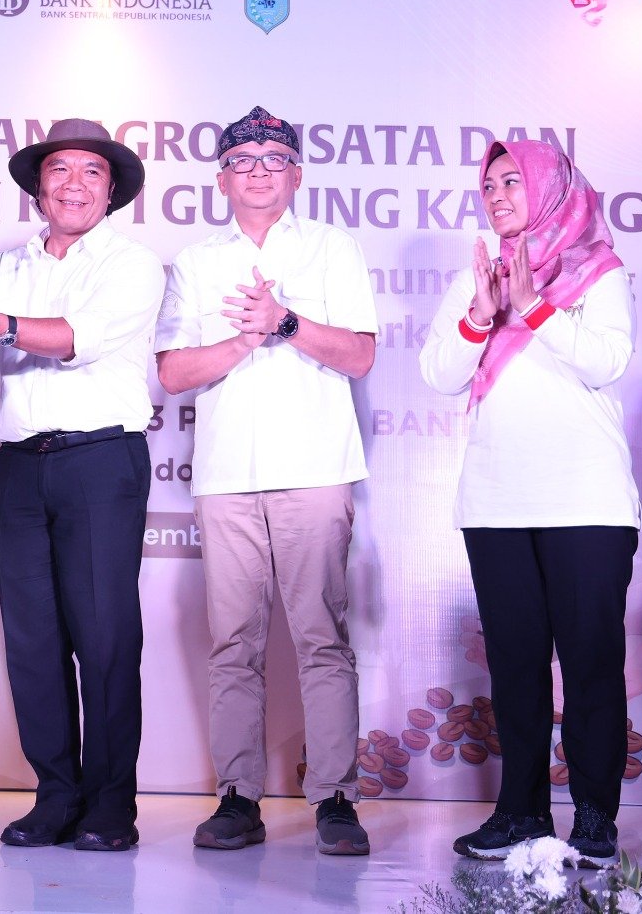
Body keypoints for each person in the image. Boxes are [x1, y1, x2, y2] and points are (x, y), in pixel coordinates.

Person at [0, 119, 164, 852]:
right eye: (60, 170)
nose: (75, 185)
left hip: (100, 463)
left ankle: (110, 805)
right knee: (32, 640)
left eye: (92, 172)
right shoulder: (6, 266)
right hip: (20, 466)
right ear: (38, 187)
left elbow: (74, 340)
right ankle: (56, 795)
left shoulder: (132, 264)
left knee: (105, 637)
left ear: (112, 191)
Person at [156, 106, 379, 856]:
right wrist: (243, 340)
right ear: (220, 180)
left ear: (297, 174)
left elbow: (359, 356)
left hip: (315, 470)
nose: (257, 170)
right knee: (233, 644)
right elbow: (172, 372)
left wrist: (284, 322)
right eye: (241, 160)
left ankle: (337, 798)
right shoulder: (196, 262)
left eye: (273, 157)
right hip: (227, 478)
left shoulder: (332, 248)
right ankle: (237, 795)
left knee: (323, 639)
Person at [418, 138, 638, 869]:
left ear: (550, 187)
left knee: (591, 661)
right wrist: (481, 315)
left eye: (513, 181)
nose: (498, 196)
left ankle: (596, 818)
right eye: (489, 186)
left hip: (586, 500)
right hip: (497, 502)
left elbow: (607, 360)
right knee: (515, 665)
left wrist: (535, 307)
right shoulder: (479, 273)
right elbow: (438, 372)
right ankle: (520, 812)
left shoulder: (599, 270)